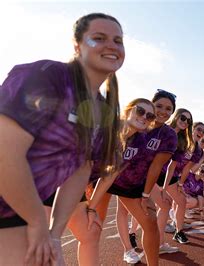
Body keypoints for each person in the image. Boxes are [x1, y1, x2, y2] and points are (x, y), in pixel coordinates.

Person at [0, 12, 123, 265]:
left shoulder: (103, 111)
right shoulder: (47, 76)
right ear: (77, 45)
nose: (111, 45)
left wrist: (55, 234)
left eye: (118, 40)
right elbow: (5, 150)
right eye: (99, 38)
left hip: (15, 210)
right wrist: (37, 221)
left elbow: (80, 168)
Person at [84, 98, 159, 264]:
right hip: (74, 178)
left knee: (90, 229)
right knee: (88, 230)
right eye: (140, 111)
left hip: (108, 181)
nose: (144, 117)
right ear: (128, 110)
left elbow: (110, 175)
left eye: (150, 116)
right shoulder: (107, 128)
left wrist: (91, 208)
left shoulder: (140, 140)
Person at [151, 108, 193, 248]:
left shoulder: (181, 141)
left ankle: (176, 232)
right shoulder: (162, 130)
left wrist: (164, 188)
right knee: (160, 205)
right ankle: (143, 239)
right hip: (149, 172)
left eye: (188, 121)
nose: (185, 122)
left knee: (179, 201)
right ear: (176, 117)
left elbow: (171, 166)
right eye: (182, 118)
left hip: (164, 174)